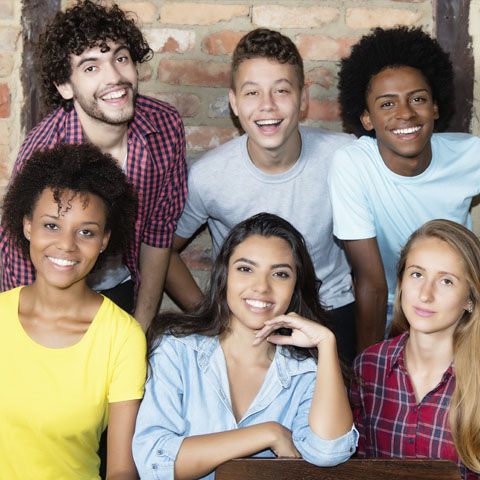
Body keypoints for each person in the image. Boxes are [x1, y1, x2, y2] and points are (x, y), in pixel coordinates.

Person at [165, 28, 356, 363]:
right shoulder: (209, 176)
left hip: (329, 313)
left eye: (281, 90)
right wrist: (209, 315)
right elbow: (162, 252)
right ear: (234, 102)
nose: (267, 105)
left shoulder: (344, 158)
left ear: (304, 98)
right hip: (247, 319)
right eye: (252, 92)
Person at [0, 0, 187, 330]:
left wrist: (139, 329)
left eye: (120, 58)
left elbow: (158, 235)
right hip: (52, 292)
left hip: (120, 287)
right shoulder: (44, 150)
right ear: (65, 86)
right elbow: (20, 256)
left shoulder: (164, 128)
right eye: (91, 67)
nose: (114, 77)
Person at [133, 213, 357, 479]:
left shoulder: (307, 374)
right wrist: (267, 433)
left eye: (280, 274)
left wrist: (327, 344)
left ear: (295, 287)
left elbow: (329, 453)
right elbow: (153, 463)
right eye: (246, 269)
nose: (261, 287)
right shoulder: (177, 350)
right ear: (224, 275)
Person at [328, 26, 480, 352]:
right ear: (366, 118)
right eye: (387, 104)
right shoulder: (353, 165)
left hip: (457, 307)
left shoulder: (470, 155)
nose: (406, 113)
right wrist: (369, 373)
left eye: (418, 99)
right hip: (386, 311)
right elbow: (371, 283)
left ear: (435, 107)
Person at [0, 144, 146, 479]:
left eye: (86, 232)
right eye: (51, 225)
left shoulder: (122, 337)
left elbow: (122, 469)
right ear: (27, 226)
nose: (67, 245)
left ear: (105, 240)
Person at [351, 219, 480, 480]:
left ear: (469, 299)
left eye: (446, 281)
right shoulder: (368, 366)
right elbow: (355, 467)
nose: (424, 294)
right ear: (401, 282)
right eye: (417, 274)